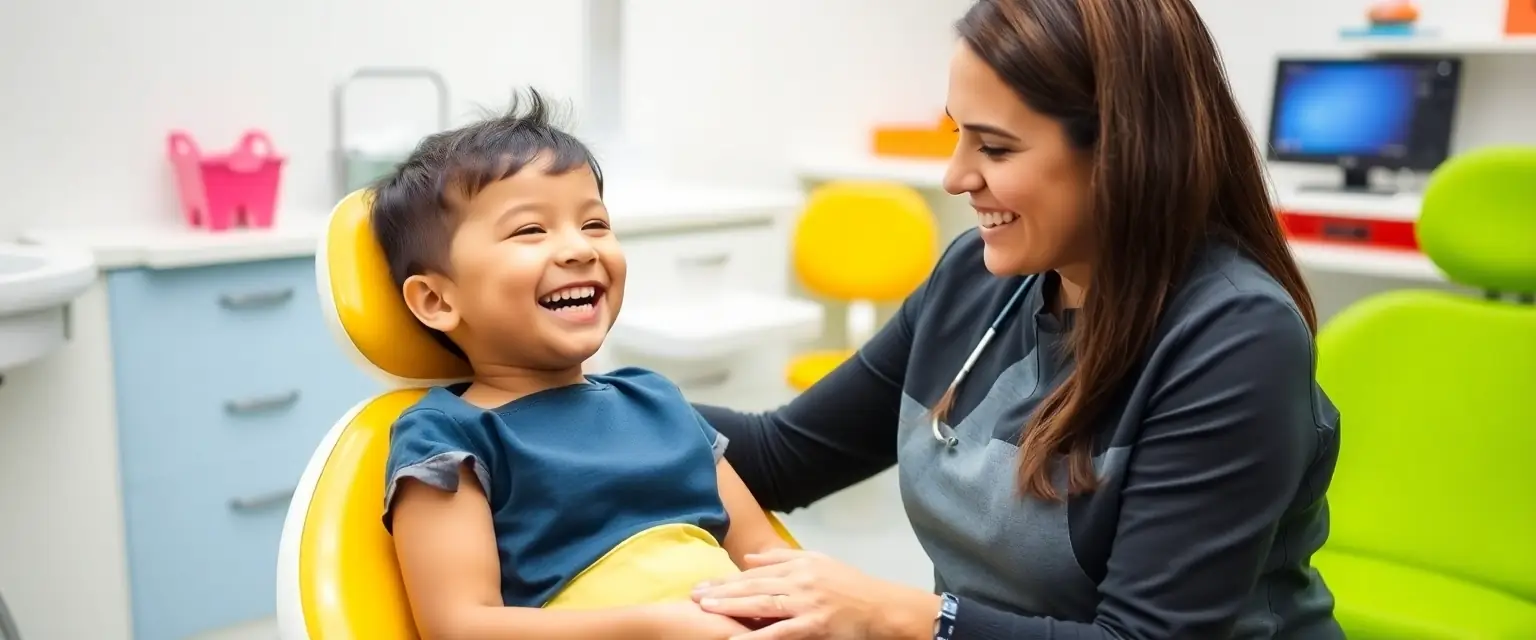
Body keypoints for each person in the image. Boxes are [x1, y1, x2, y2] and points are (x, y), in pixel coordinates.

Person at [689, 0, 1344, 638]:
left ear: (1124, 151)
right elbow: (783, 455)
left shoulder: (1237, 340)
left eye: (995, 148)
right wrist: (630, 396)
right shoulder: (973, 278)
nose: (955, 177)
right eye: (958, 136)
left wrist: (901, 616)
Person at [372, 90, 789, 640]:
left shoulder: (657, 400)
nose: (580, 249)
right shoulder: (449, 437)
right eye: (530, 230)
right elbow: (460, 627)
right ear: (436, 300)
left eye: (594, 224)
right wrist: (652, 629)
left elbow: (771, 561)